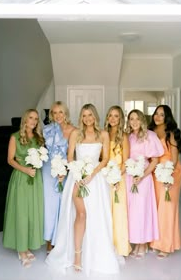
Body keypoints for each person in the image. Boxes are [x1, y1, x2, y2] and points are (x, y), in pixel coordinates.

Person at [45, 103, 119, 277]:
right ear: (81, 117)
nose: (87, 119)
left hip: (95, 179)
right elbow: (70, 157)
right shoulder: (76, 134)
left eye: (90, 115)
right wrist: (78, 175)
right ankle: (77, 256)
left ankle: (94, 254)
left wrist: (91, 175)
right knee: (81, 214)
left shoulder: (103, 134)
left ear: (95, 117)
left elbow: (105, 158)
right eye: (84, 115)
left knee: (95, 217)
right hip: (77, 178)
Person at [3, 109, 45, 268]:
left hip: (35, 179)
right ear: (25, 119)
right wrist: (25, 169)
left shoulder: (39, 138)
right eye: (30, 118)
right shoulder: (15, 137)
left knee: (31, 212)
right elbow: (10, 160)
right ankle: (21, 250)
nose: (33, 121)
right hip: (21, 177)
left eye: (36, 119)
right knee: (21, 212)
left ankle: (27, 246)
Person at [126, 109, 164, 259]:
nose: (134, 122)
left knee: (143, 210)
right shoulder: (129, 137)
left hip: (144, 177)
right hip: (130, 177)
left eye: (137, 119)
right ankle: (136, 242)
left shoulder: (150, 135)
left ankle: (143, 243)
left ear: (142, 120)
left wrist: (142, 176)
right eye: (131, 119)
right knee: (133, 211)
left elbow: (155, 160)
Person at [149, 105, 181, 259]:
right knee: (156, 207)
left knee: (167, 208)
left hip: (170, 171)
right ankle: (155, 242)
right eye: (156, 113)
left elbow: (175, 159)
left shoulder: (172, 133)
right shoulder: (150, 132)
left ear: (167, 117)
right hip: (155, 172)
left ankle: (166, 245)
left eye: (161, 115)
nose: (157, 117)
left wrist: (169, 176)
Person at [42, 101, 75, 254]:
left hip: (65, 171)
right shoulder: (46, 129)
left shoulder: (74, 130)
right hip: (48, 170)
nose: (58, 116)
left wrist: (66, 170)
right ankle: (49, 240)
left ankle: (61, 240)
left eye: (60, 112)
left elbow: (74, 155)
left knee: (63, 205)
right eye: (54, 113)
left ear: (66, 113)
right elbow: (41, 150)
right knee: (49, 205)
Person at [104, 105, 132, 257]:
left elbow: (125, 161)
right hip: (104, 177)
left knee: (119, 212)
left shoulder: (124, 136)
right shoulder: (103, 134)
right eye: (110, 115)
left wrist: (115, 178)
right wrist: (107, 175)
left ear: (120, 118)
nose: (113, 119)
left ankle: (120, 247)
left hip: (118, 179)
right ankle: (106, 245)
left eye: (116, 116)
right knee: (106, 211)